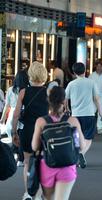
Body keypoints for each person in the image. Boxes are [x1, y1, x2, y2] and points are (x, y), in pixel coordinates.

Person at [32, 86, 86, 200]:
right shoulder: (72, 121)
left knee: (48, 198)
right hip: (67, 166)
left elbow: (34, 146)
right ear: (64, 101)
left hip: (47, 166)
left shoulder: (41, 121)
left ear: (48, 100)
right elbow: (82, 146)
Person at [12, 61, 49, 200]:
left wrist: (14, 132)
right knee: (43, 162)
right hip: (44, 131)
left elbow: (16, 115)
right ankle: (39, 194)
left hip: (27, 130)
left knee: (27, 162)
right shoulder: (49, 92)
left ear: (30, 75)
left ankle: (28, 193)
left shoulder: (23, 92)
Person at [65, 62, 102, 168]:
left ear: (74, 72)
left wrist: (67, 108)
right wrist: (100, 112)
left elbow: (65, 97)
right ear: (85, 70)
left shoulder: (71, 84)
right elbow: (97, 98)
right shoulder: (91, 82)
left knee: (76, 136)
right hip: (89, 113)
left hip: (76, 115)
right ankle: (82, 153)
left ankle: (78, 154)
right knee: (88, 137)